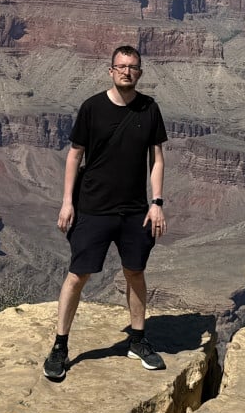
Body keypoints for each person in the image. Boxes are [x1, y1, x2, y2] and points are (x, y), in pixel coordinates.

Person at [43, 45, 168, 382]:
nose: (127, 71)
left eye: (133, 67)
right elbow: (74, 156)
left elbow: (156, 159)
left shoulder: (149, 109)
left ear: (140, 72)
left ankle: (138, 340)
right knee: (77, 275)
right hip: (93, 207)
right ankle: (60, 346)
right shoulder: (92, 108)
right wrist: (67, 201)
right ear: (110, 70)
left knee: (135, 272)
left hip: (134, 211)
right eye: (121, 66)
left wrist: (157, 202)